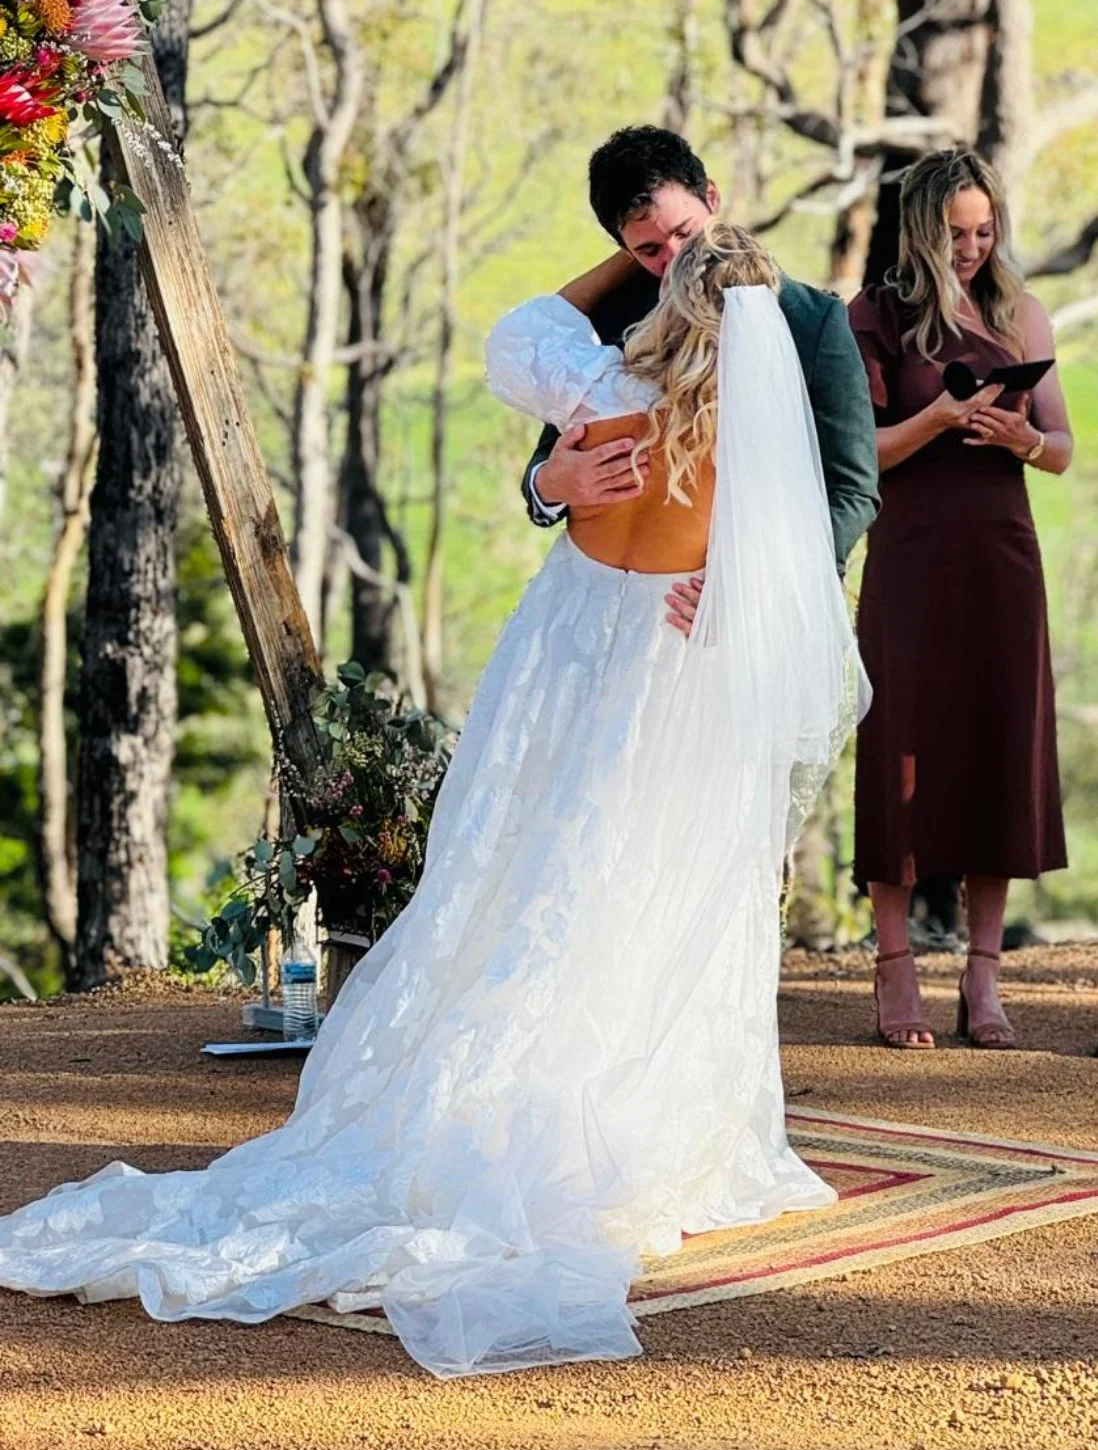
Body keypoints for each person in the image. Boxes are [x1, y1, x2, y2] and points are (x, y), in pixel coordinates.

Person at [0, 223, 866, 1380]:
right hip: (670, 686)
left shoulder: (599, 385)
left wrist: (618, 268)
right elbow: (797, 586)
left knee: (516, 877)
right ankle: (622, 1113)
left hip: (562, 663)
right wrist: (706, 586)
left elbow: (518, 331)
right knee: (636, 892)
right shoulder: (760, 453)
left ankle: (500, 1087)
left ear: (672, 302)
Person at [849, 148, 1073, 1051]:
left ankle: (985, 979)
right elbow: (860, 449)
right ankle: (894, 966)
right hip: (908, 553)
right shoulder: (876, 315)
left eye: (986, 231)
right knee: (898, 742)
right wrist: (937, 420)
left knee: (998, 743)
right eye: (957, 232)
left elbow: (1062, 448)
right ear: (921, 229)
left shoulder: (1019, 311)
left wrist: (1019, 433)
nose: (974, 247)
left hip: (999, 554)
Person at [522, 125, 881, 632]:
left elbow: (852, 489)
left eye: (683, 233)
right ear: (621, 248)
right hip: (594, 614)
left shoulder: (810, 322)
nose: (673, 260)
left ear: (712, 196)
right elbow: (550, 452)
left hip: (731, 624)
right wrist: (550, 483)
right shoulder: (607, 317)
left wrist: (761, 589)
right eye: (648, 251)